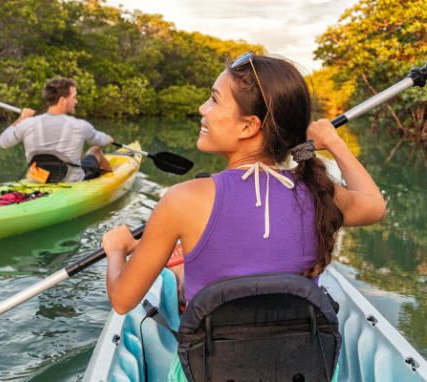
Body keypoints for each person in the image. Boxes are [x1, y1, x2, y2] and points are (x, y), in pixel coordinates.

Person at [101, 52, 386, 380]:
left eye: (213, 100)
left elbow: (123, 299)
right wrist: (334, 142)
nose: (202, 109)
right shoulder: (320, 193)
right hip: (302, 372)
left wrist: (117, 251)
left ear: (249, 126)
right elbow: (374, 205)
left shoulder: (182, 199)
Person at [0, 78, 113, 182]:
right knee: (95, 150)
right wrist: (108, 139)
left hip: (38, 179)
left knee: (79, 153)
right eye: (73, 97)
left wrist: (22, 118)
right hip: (70, 181)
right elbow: (102, 141)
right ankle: (112, 177)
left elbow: (2, 142)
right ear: (62, 100)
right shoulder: (80, 125)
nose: (76, 101)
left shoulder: (28, 123)